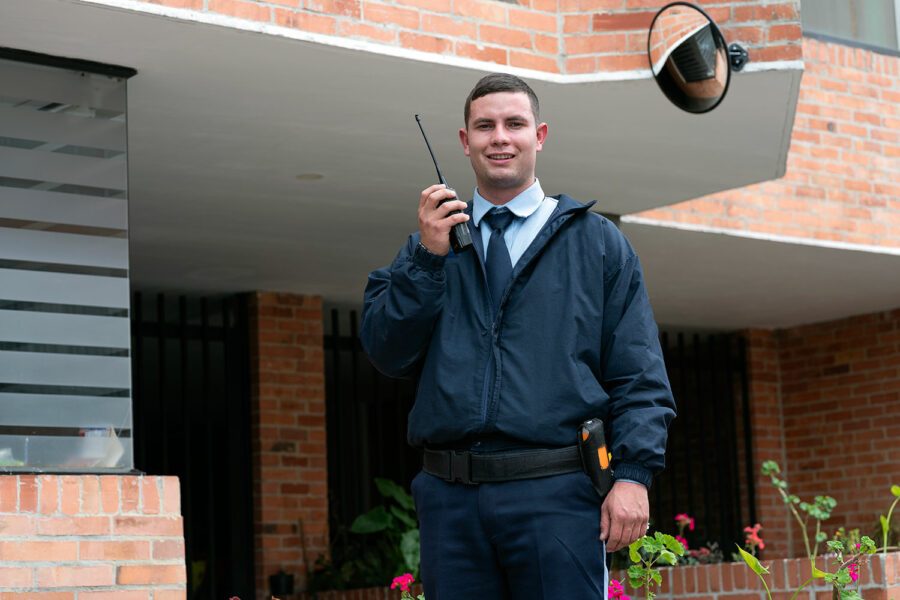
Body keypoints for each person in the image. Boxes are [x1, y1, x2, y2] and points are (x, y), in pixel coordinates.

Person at [361, 73, 675, 599]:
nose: (499, 137)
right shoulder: (430, 249)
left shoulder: (597, 243)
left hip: (557, 492)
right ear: (465, 142)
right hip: (450, 499)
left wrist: (633, 474)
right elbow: (386, 352)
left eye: (514, 124)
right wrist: (424, 261)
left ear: (540, 135)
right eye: (484, 126)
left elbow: (639, 371)